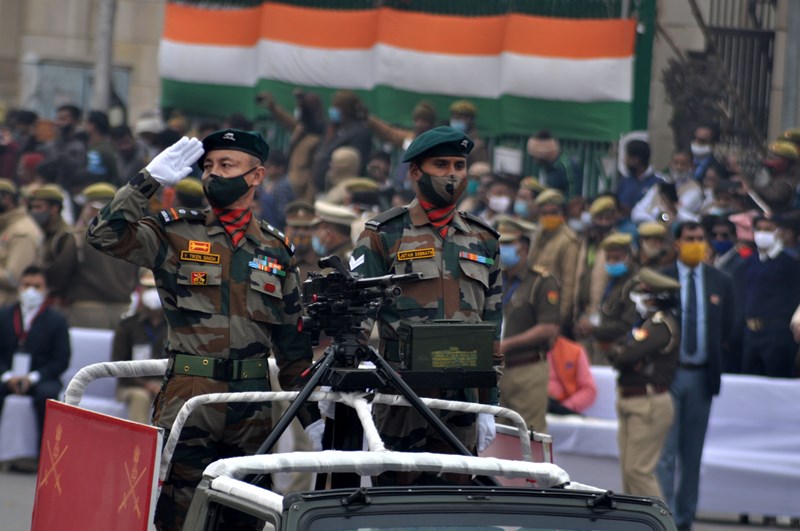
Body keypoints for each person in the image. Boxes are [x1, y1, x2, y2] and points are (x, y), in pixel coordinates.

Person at [86, 130, 318, 530]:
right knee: (181, 514)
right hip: (192, 394)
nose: (213, 175)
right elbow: (104, 235)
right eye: (208, 166)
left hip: (253, 401)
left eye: (226, 165)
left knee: (244, 515)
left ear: (256, 175)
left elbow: (292, 344)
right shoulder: (176, 232)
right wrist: (148, 180)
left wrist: (314, 416)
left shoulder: (276, 248)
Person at [350, 126, 502, 485]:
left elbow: (493, 322)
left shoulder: (483, 239)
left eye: (460, 165)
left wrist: (489, 403)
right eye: (441, 164)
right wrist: (350, 389)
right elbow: (357, 318)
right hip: (401, 393)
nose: (453, 174)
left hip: (462, 398)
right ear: (415, 172)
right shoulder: (384, 233)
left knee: (453, 511)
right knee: (396, 506)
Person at [656, 220, 734, 531]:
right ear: (677, 242)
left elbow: (728, 329)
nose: (696, 243)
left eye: (700, 238)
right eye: (690, 238)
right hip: (669, 376)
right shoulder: (661, 279)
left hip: (701, 376)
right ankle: (665, 517)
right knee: (665, 454)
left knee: (693, 454)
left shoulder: (720, 281)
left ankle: (685, 520)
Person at [609, 267, 680, 497]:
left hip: (648, 402)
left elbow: (626, 356)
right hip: (631, 399)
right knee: (628, 473)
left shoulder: (660, 325)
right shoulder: (645, 323)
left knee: (638, 472)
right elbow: (619, 352)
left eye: (644, 293)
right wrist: (624, 354)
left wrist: (625, 354)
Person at [496, 217, 560, 433]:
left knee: (531, 434)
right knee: (499, 436)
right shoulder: (498, 279)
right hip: (499, 370)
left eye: (507, 244)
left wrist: (506, 345)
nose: (501, 249)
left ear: (523, 246)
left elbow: (549, 328)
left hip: (527, 369)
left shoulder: (541, 281)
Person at [0, 265, 70, 452]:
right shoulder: (4, 315)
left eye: (37, 286)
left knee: (47, 397)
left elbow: (61, 360)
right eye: (27, 285)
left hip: (41, 377)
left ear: (46, 290)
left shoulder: (57, 321)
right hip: (7, 374)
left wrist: (32, 378)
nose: (31, 291)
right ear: (19, 288)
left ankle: (44, 455)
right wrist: (7, 376)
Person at [49, 182, 139, 328]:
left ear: (91, 208)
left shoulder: (79, 238)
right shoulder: (132, 239)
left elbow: (60, 274)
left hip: (86, 311)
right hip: (122, 312)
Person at [740, 215, 800, 377]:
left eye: (768, 229)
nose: (762, 233)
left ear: (778, 232)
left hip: (777, 335)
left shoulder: (791, 263)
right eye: (759, 229)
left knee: (776, 385)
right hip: (750, 334)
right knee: (749, 386)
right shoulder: (750, 261)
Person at [111, 271, 168, 424]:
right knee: (140, 397)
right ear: (140, 290)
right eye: (148, 288)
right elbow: (118, 365)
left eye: (156, 288)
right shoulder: (128, 325)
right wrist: (145, 385)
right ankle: (138, 446)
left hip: (164, 385)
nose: (152, 293)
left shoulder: (173, 327)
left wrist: (162, 385)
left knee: (174, 398)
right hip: (132, 385)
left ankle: (167, 446)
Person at [574, 232, 638, 365]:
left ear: (629, 256)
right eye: (608, 258)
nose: (612, 262)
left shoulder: (633, 284)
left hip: (619, 353)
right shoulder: (613, 281)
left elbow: (626, 326)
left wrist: (594, 329)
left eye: (617, 258)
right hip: (602, 348)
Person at [528, 189, 579, 332]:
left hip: (553, 308)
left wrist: (560, 320)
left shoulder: (568, 241)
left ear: (562, 214)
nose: (549, 217)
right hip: (533, 304)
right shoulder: (538, 234)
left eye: (554, 212)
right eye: (544, 213)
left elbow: (569, 284)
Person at [0, 178, 43, 306]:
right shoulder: (7, 226)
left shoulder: (22, 232)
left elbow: (14, 277)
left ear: (6, 199)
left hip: (8, 309)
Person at [547, 336, 597, 415]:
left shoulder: (575, 351)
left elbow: (588, 390)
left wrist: (564, 407)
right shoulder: (523, 351)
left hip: (562, 409)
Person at [527, 129, 582, 198]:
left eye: (537, 157)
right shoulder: (546, 167)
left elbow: (573, 197)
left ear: (545, 153)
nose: (535, 161)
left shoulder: (567, 167)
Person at [616, 140, 660, 220]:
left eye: (627, 156)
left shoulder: (658, 183)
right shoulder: (624, 181)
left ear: (636, 159)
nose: (625, 160)